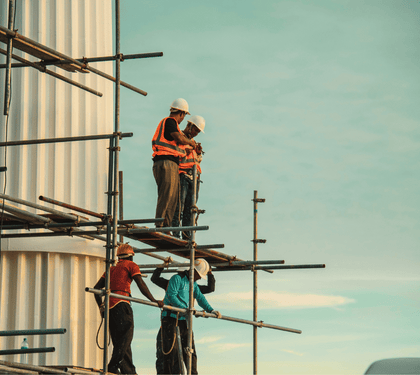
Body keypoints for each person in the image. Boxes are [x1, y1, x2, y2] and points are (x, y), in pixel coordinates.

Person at [93, 244, 164, 374]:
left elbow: (96, 290)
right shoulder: (131, 265)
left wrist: (101, 307)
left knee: (121, 341)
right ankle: (112, 365)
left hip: (110, 308)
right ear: (131, 256)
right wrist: (153, 300)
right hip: (122, 304)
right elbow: (141, 284)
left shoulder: (111, 269)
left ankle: (129, 371)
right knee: (126, 337)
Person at [152, 262, 215, 374]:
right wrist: (186, 309)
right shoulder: (176, 279)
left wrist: (211, 310)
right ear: (194, 271)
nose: (199, 278)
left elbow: (200, 297)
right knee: (173, 352)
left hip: (183, 320)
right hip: (171, 319)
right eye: (199, 275)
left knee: (190, 351)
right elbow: (171, 295)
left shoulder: (193, 284)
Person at [152, 98, 199, 232]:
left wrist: (186, 149)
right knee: (167, 195)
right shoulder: (170, 121)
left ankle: (166, 227)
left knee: (172, 197)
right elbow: (178, 138)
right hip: (165, 162)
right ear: (182, 113)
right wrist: (190, 143)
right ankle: (160, 225)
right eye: (184, 115)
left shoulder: (173, 126)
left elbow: (175, 145)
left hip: (171, 163)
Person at [172, 115, 205, 240]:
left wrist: (198, 153)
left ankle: (186, 236)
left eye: (198, 131)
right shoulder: (179, 137)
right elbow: (176, 154)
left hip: (194, 178)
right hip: (183, 176)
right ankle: (175, 233)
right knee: (179, 206)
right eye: (195, 130)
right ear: (189, 125)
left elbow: (197, 160)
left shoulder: (193, 142)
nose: (196, 133)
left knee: (190, 210)